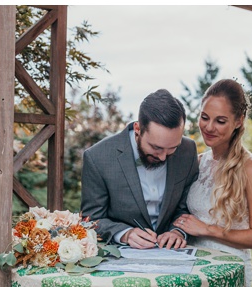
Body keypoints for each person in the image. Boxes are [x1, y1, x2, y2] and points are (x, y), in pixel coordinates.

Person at [172, 79, 252, 287]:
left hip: (230, 272)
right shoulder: (197, 162)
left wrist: (208, 229)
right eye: (204, 117)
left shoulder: (250, 167)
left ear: (238, 121)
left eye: (220, 121)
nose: (208, 127)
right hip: (193, 270)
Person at [82, 89, 197, 250]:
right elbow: (91, 219)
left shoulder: (188, 150)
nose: (163, 157)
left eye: (172, 148)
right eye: (156, 147)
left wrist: (178, 232)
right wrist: (125, 234)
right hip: (121, 257)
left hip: (174, 254)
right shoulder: (97, 157)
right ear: (138, 129)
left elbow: (186, 207)